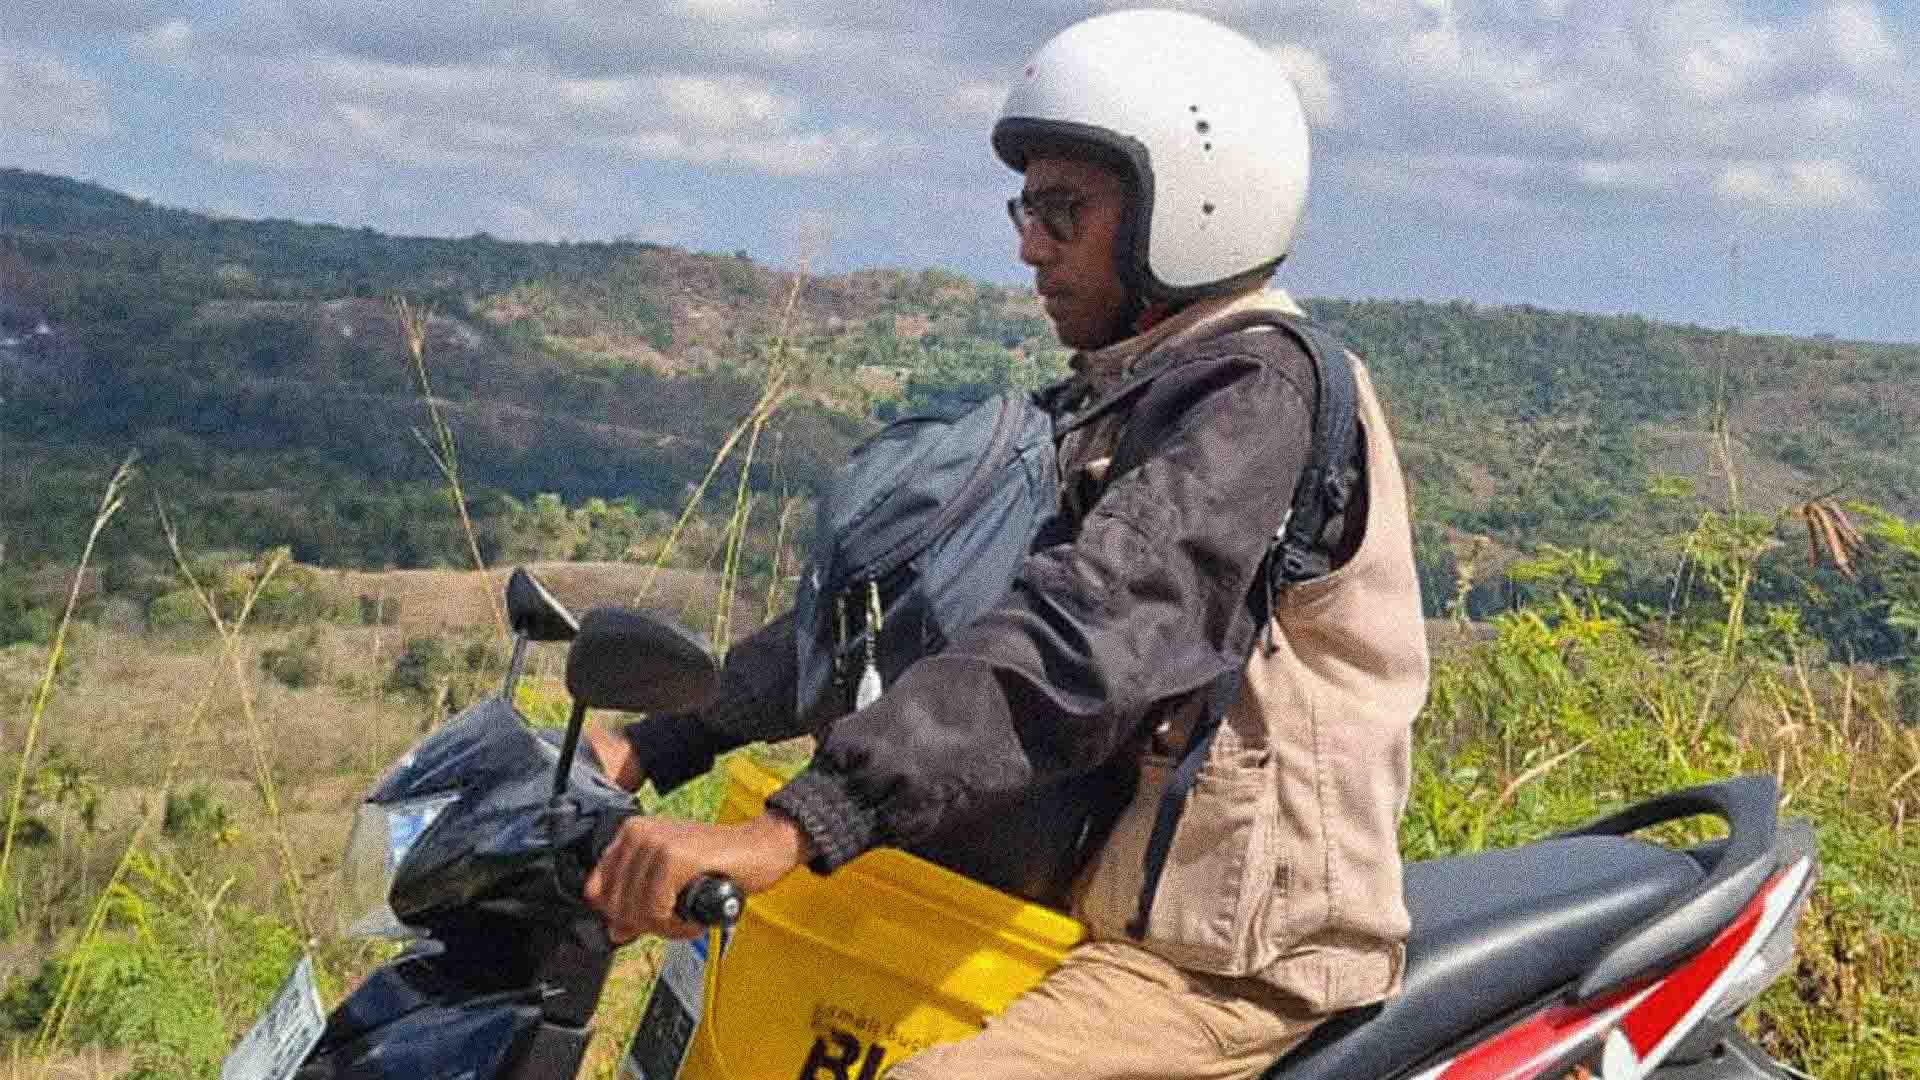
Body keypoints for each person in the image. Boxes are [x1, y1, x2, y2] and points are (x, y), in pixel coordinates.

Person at [584, 9, 1430, 1079]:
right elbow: (905, 619)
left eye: (1064, 209)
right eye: (1027, 206)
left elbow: (1085, 634)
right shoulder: (1125, 389)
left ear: (1196, 204)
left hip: (1220, 966)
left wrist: (798, 825)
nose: (1029, 242)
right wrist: (657, 744)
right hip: (1077, 911)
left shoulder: (1256, 396)